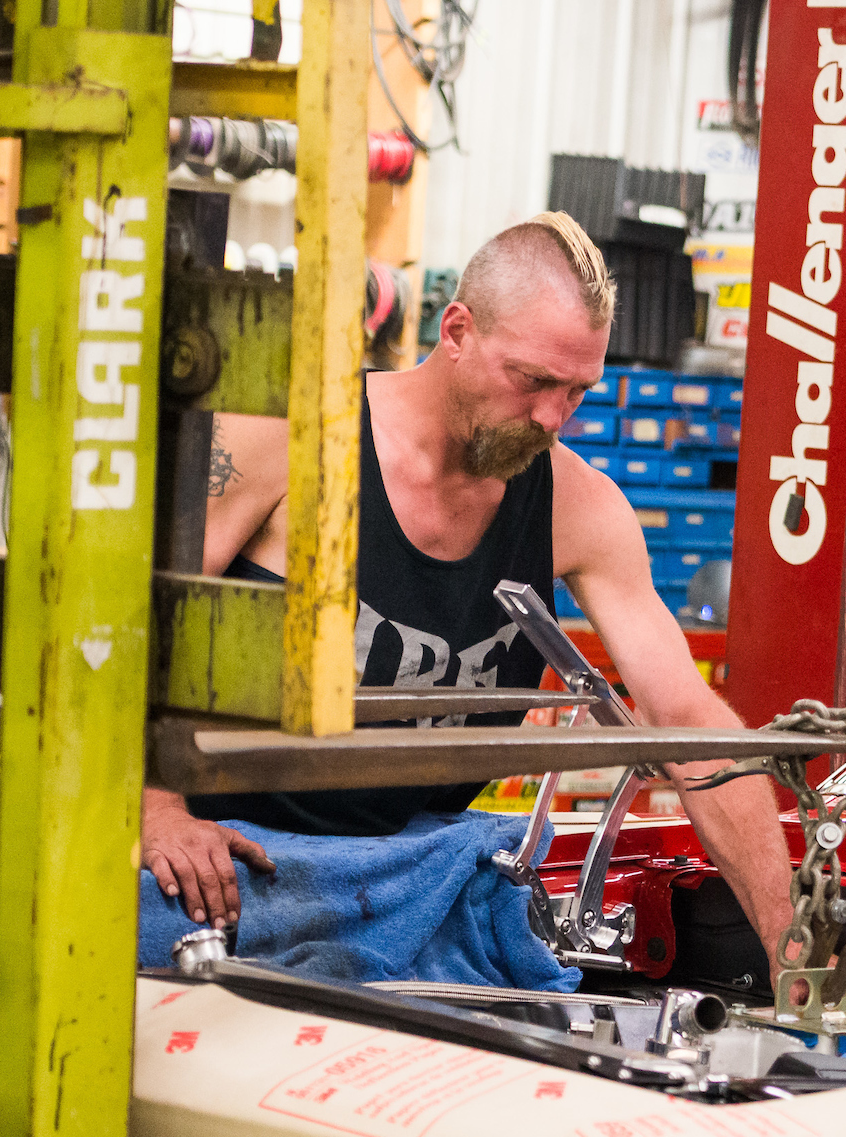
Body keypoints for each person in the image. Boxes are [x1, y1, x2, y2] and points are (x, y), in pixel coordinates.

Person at [139, 211, 799, 970]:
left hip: (412, 876)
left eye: (578, 391)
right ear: (456, 331)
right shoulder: (283, 442)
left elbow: (692, 727)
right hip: (224, 859)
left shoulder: (580, 510)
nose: (553, 417)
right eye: (533, 381)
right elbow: (128, 630)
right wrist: (156, 808)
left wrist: (792, 953)